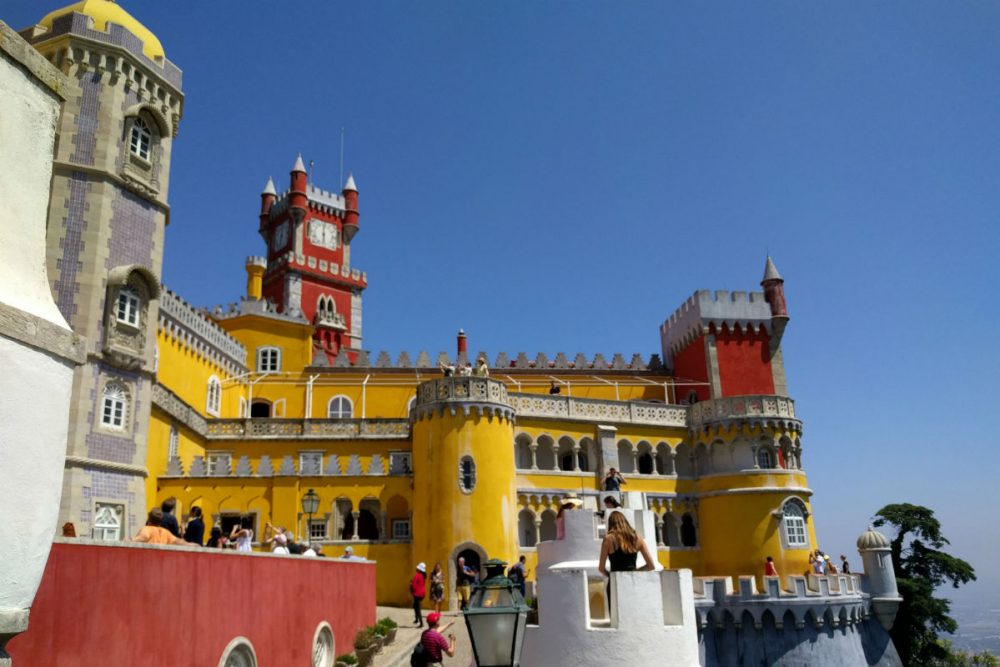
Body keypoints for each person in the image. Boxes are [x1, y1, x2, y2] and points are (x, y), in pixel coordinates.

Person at [598, 511, 655, 578]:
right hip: (632, 582)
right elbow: (651, 566)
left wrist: (611, 577)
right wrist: (635, 572)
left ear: (611, 523)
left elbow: (601, 569)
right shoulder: (638, 538)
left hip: (616, 582)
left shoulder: (608, 539)